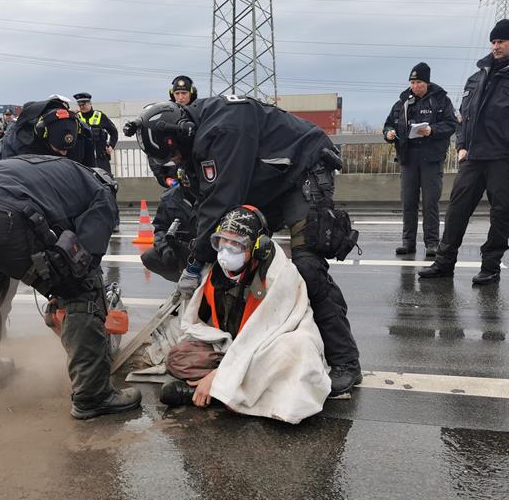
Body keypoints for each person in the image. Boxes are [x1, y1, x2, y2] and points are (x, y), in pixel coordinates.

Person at [126, 97, 362, 396]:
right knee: (234, 253)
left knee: (307, 266)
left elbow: (222, 199)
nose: (175, 160)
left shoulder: (223, 130)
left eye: (174, 153)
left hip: (302, 172)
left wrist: (197, 261)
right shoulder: (195, 142)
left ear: (183, 133)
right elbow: (201, 206)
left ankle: (346, 362)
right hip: (266, 179)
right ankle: (247, 341)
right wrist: (187, 252)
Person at [0, 155, 140, 419]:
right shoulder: (100, 191)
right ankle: (93, 396)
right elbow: (85, 259)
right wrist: (65, 289)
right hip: (0, 213)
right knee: (81, 289)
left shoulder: (56, 171)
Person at [160, 205, 331, 424]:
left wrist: (219, 375)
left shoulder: (278, 274)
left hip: (268, 346)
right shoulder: (217, 273)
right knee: (178, 357)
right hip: (233, 348)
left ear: (257, 247)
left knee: (298, 352)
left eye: (237, 244)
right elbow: (202, 321)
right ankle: (232, 390)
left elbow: (264, 332)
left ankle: (218, 390)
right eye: (222, 241)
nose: (227, 251)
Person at [419, 19, 509, 285]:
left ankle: (490, 267)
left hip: (507, 158)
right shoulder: (480, 75)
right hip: (474, 157)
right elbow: (463, 117)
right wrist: (461, 146)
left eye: (501, 41)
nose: (496, 46)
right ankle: (444, 263)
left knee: (501, 214)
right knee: (456, 210)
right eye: (493, 42)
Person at [383, 62, 458, 257]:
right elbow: (388, 125)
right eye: (412, 82)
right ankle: (408, 242)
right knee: (408, 202)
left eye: (418, 82)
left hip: (431, 159)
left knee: (430, 202)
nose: (414, 86)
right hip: (408, 159)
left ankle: (432, 243)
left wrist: (432, 130)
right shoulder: (402, 103)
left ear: (426, 82)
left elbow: (451, 124)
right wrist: (389, 133)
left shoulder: (441, 100)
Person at [140, 171, 197, 282]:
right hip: (183, 249)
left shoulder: (211, 196)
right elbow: (160, 227)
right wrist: (165, 248)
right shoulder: (169, 198)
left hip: (206, 249)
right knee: (149, 257)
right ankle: (183, 282)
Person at [73, 93, 118, 175]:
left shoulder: (100, 116)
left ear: (90, 103)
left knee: (105, 181)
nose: (82, 106)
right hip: (83, 158)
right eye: (80, 105)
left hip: (100, 157)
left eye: (84, 104)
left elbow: (114, 132)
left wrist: (111, 146)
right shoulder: (76, 117)